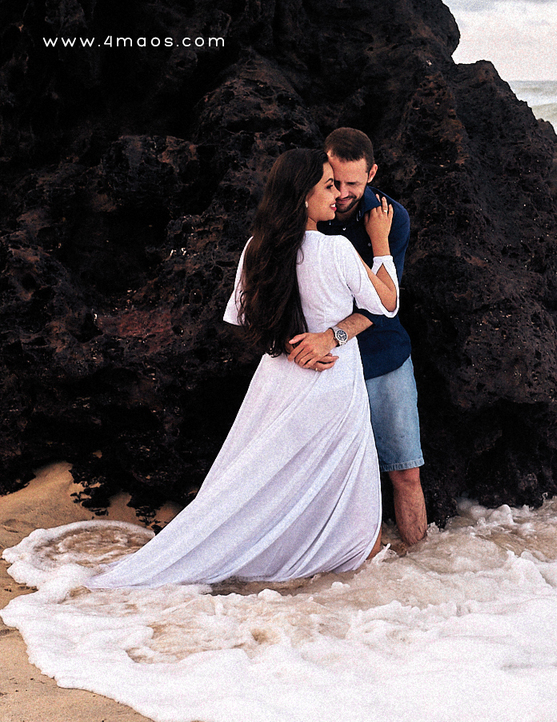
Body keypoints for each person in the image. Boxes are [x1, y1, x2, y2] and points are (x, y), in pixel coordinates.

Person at [89, 149, 398, 588]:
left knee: (261, 480)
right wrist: (381, 241)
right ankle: (346, 584)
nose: (336, 195)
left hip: (276, 379)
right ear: (302, 195)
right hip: (330, 381)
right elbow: (387, 303)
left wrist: (290, 338)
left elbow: (241, 318)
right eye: (328, 186)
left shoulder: (257, 248)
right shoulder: (337, 248)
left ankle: (259, 561)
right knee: (345, 489)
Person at [287, 128, 428, 547]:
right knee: (330, 477)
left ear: (372, 174)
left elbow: (384, 302)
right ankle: (340, 583)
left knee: (405, 470)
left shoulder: (390, 217)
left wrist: (333, 336)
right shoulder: (306, 215)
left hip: (382, 357)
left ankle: (421, 571)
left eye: (355, 183)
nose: (343, 193)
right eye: (336, 181)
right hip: (322, 366)